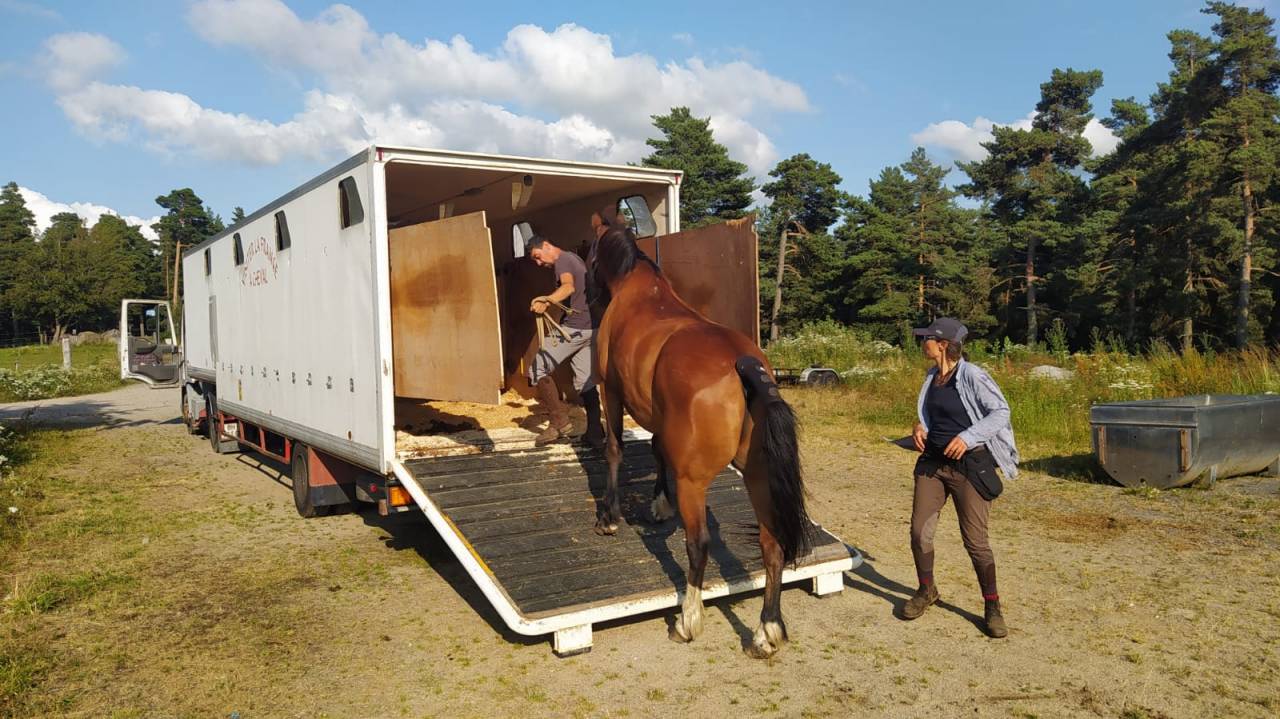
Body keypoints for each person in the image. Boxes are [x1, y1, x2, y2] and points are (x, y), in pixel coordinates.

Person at [902, 317, 1019, 638]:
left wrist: (968, 437)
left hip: (969, 468)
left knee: (976, 543)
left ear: (941, 344)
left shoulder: (972, 375)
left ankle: (992, 605)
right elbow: (931, 415)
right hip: (932, 466)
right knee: (919, 533)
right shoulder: (931, 376)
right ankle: (927, 590)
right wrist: (919, 427)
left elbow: (1001, 412)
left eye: (925, 338)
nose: (920, 343)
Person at [525, 233, 605, 448]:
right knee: (585, 382)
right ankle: (596, 433)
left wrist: (547, 300)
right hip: (591, 328)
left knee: (537, 369)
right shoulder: (575, 258)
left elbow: (568, 286)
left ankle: (559, 422)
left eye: (538, 256)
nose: (540, 263)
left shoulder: (563, 261)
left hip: (575, 327)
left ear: (548, 245)